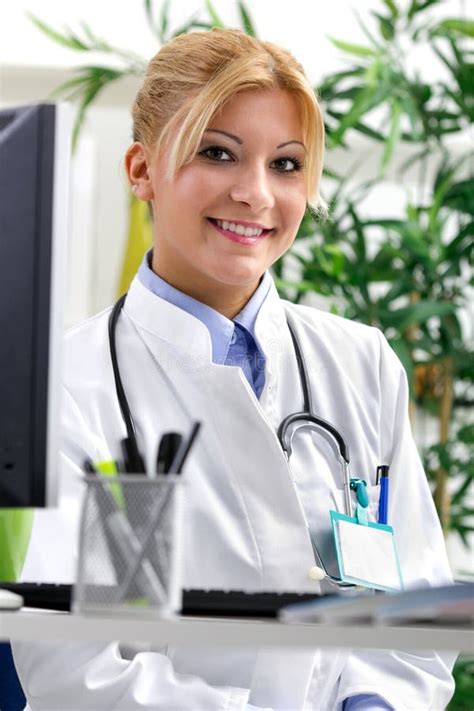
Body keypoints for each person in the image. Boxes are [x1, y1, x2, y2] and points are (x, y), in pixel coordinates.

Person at [13, 28, 455, 710]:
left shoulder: (361, 363)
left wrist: (376, 700)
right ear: (141, 170)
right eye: (217, 153)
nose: (255, 193)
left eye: (285, 164)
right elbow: (80, 665)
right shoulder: (70, 386)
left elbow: (415, 611)